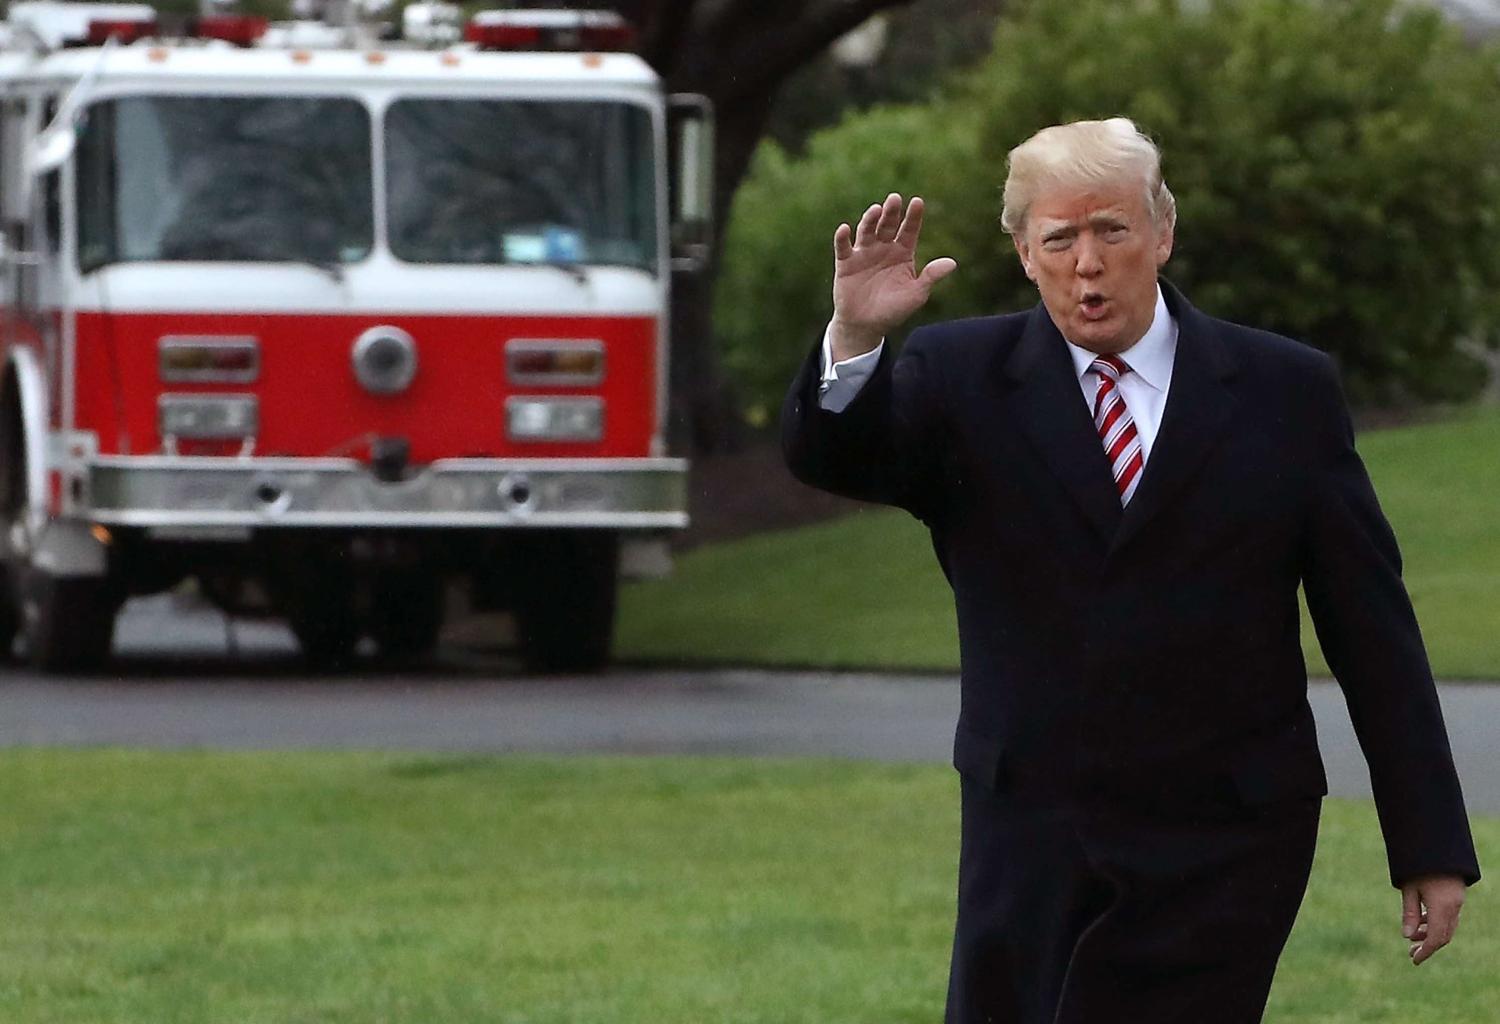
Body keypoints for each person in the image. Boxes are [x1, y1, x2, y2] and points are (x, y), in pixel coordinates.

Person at [780, 118, 1480, 1023]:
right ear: (1025, 255)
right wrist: (854, 339)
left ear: (1163, 232)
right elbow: (836, 458)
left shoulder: (1284, 391)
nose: (1087, 263)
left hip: (1226, 835)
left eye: (1111, 230)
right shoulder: (961, 381)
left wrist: (1428, 844)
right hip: (1030, 832)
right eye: (1059, 239)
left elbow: (1371, 628)